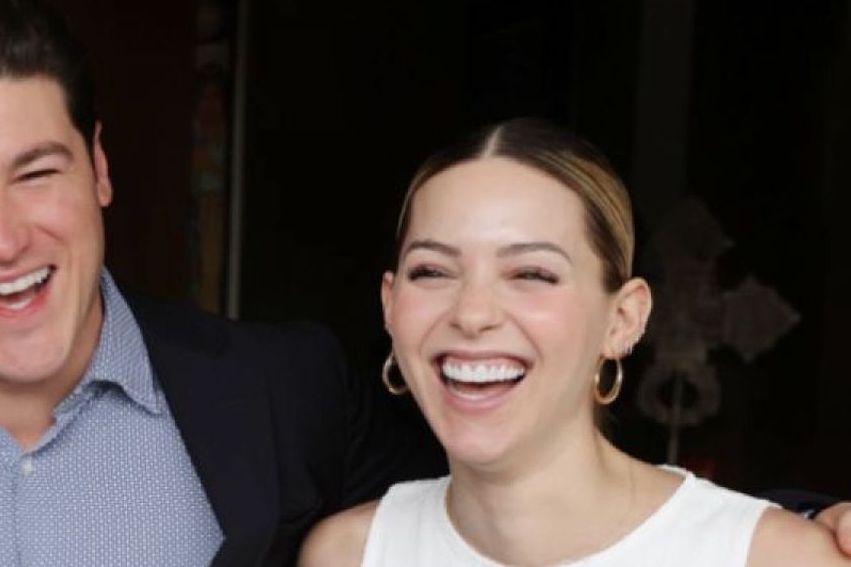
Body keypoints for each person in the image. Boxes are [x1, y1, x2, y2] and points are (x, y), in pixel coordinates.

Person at [0, 0, 437, 566]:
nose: (1, 241)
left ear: (98, 167)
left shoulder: (292, 392)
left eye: (35, 174)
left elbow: (474, 528)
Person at [300, 118, 851, 566]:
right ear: (390, 305)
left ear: (623, 319)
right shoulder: (348, 555)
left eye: (532, 273)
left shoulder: (774, 557)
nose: (471, 313)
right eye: (432, 271)